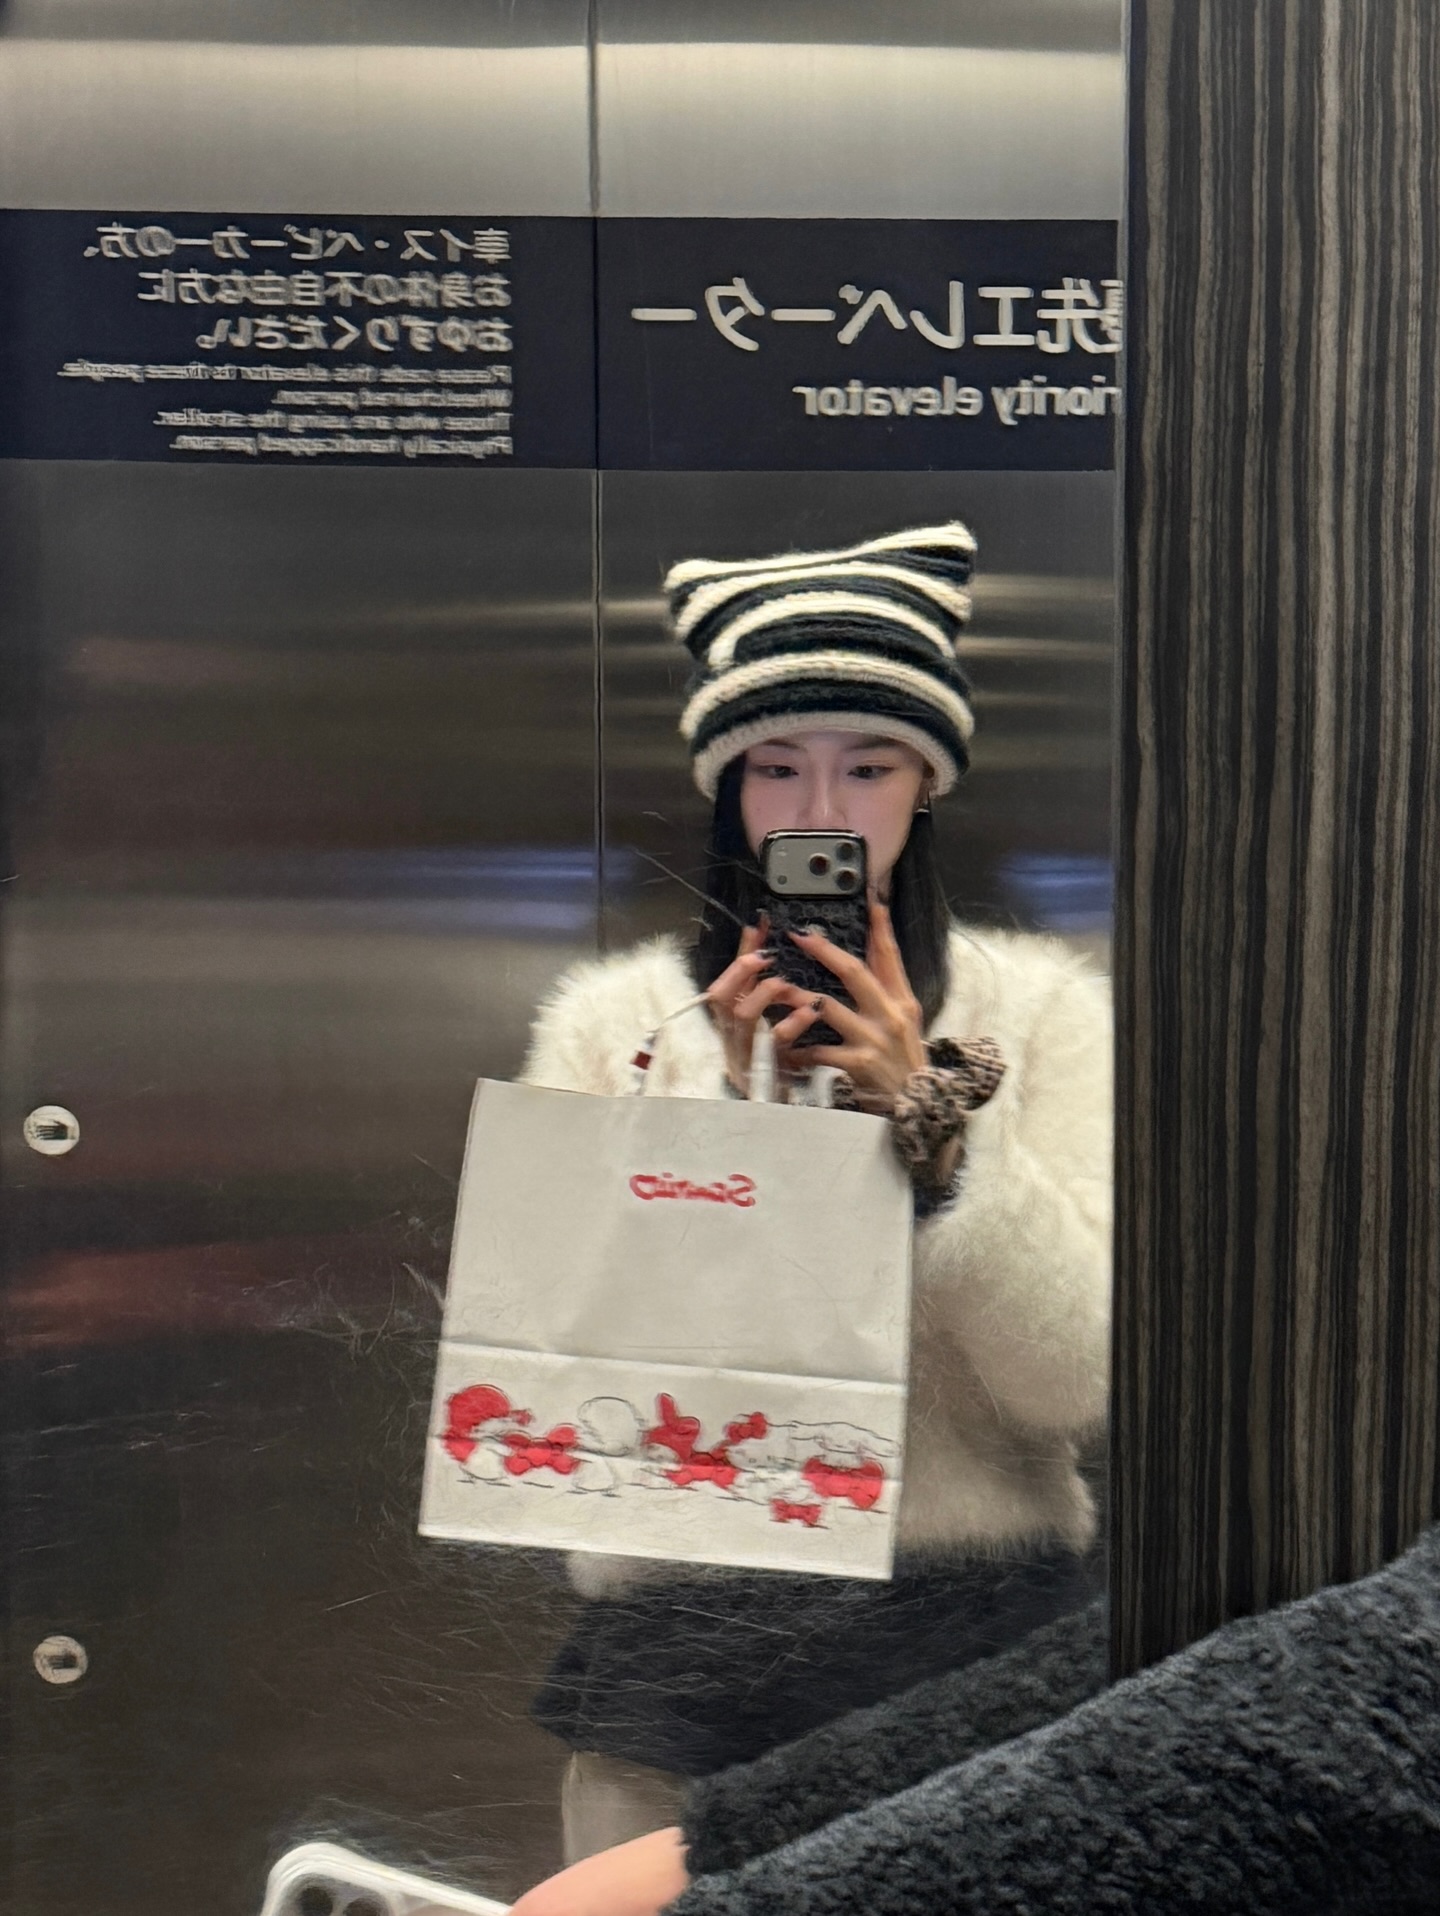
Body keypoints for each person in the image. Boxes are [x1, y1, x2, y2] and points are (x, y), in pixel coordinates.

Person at [518, 524, 1114, 1861]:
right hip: (684, 1647)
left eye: (871, 764)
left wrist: (936, 1141)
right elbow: (565, 1378)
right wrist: (734, 1130)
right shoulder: (614, 1026)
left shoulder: (1044, 1014)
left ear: (928, 782)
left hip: (977, 1635)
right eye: (776, 764)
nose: (822, 809)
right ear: (727, 788)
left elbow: (1073, 1384)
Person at [507, 1518, 1440, 1915]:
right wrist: (742, 1829)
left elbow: (1061, 1373)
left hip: (960, 1615)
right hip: (678, 1646)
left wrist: (947, 1182)